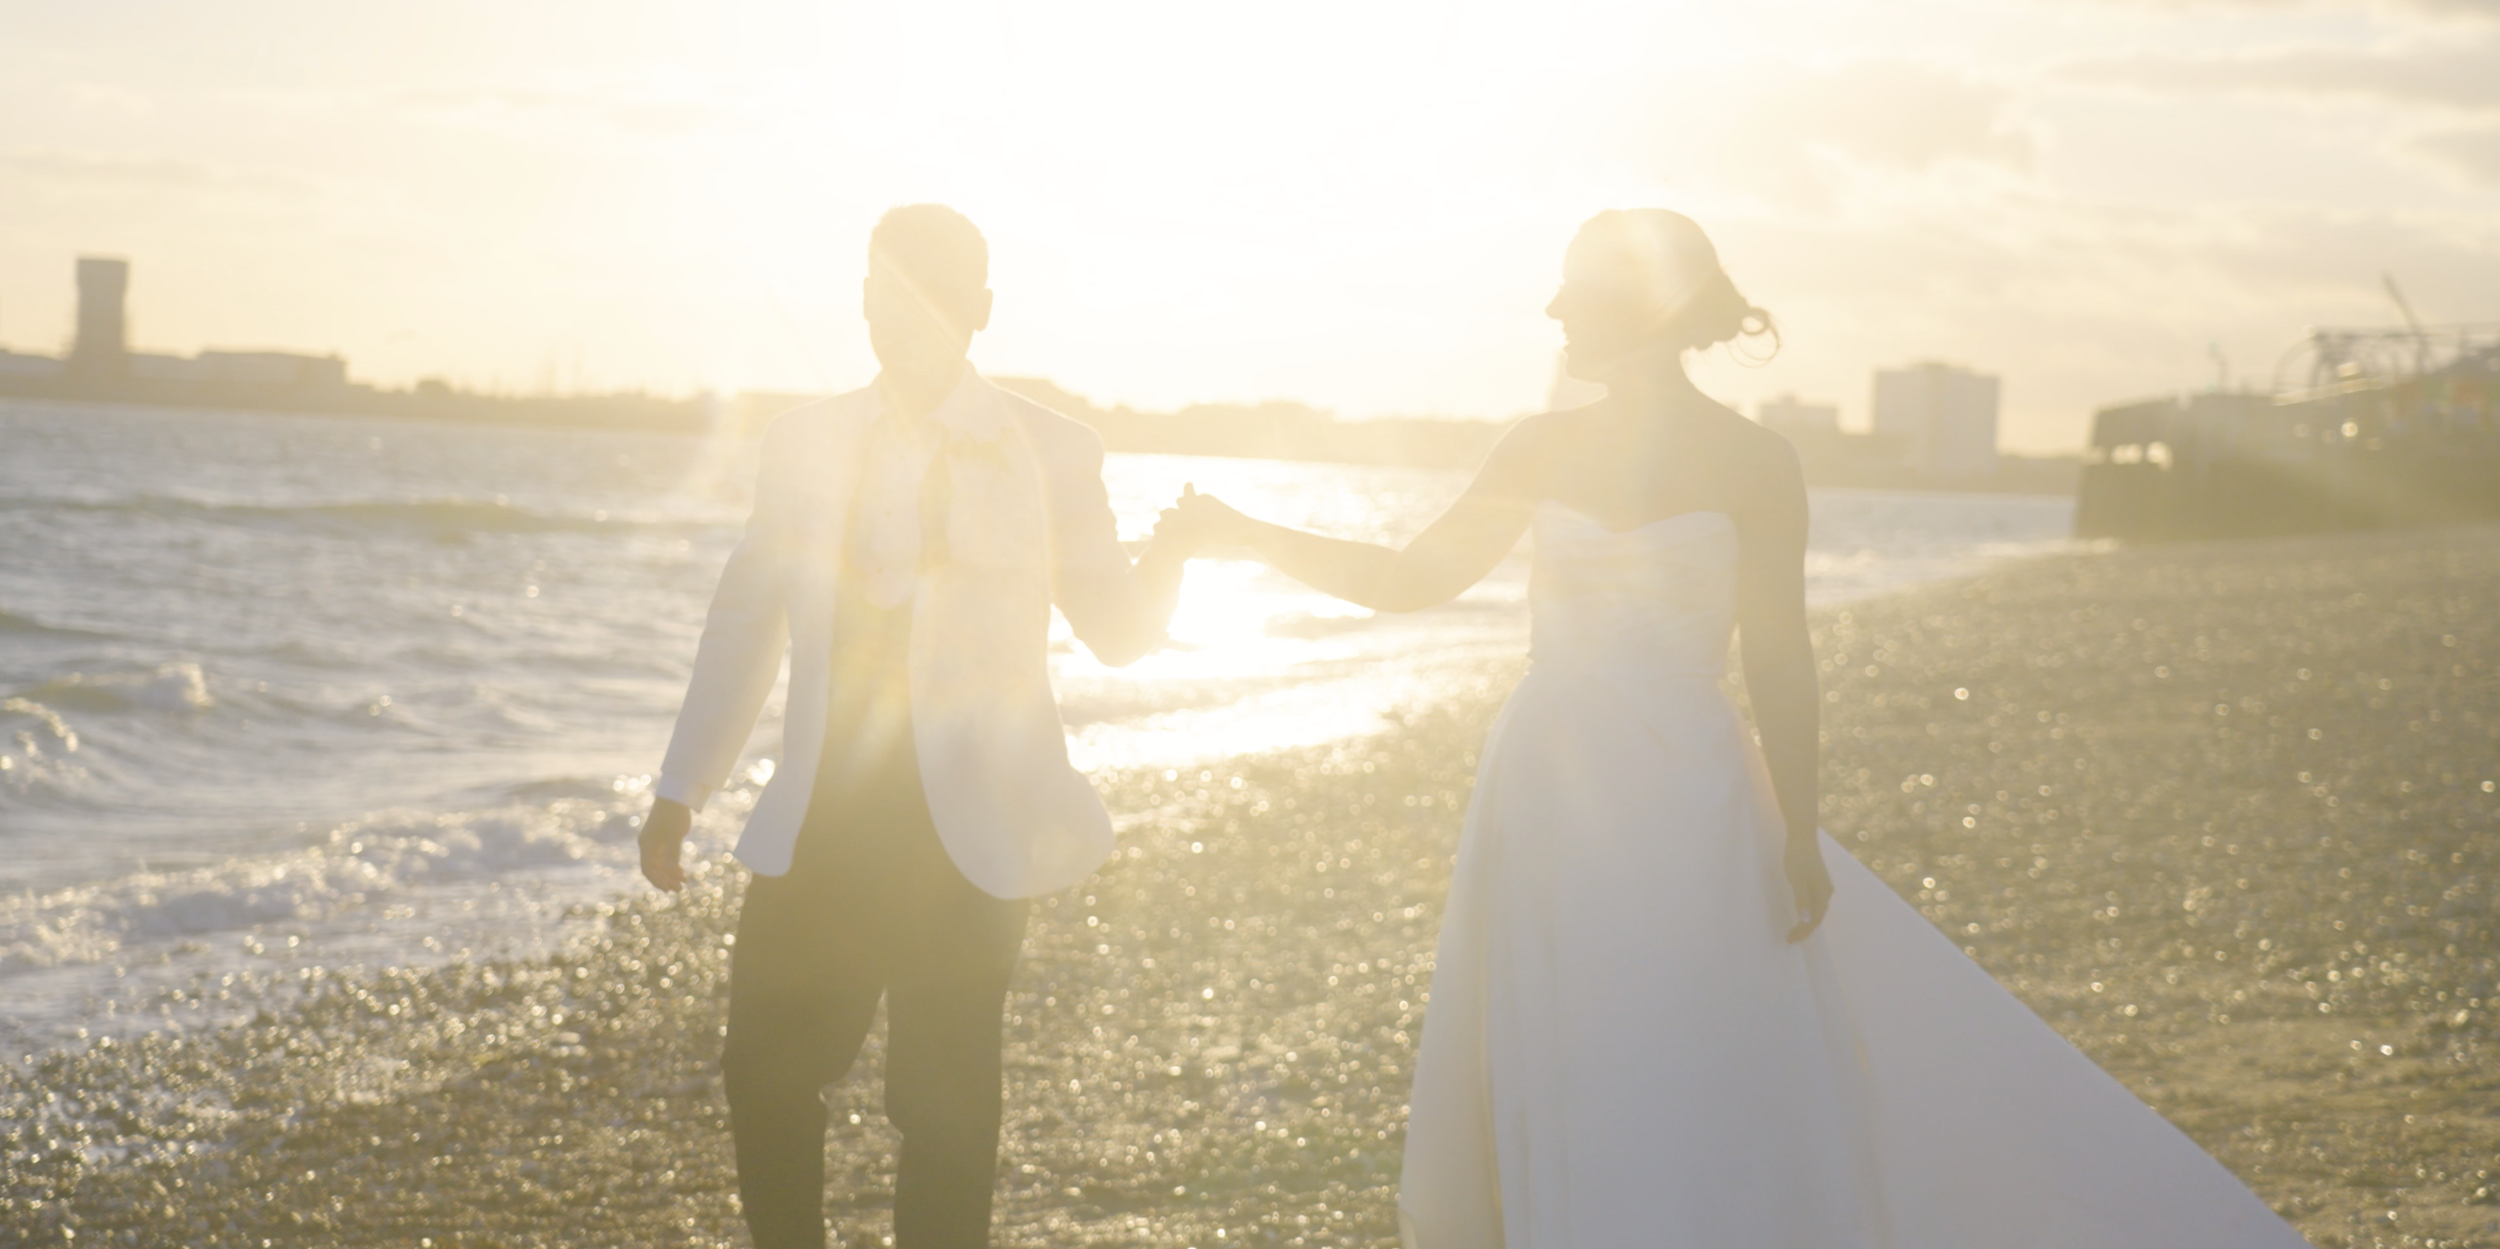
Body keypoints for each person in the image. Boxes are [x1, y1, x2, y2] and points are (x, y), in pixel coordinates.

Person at [1161, 210, 2308, 1247]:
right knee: (1601, 1033)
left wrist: (1799, 831)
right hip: (1593, 785)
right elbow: (1427, 580)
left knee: (1647, 1034)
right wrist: (1249, 534)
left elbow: (1774, 653)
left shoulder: (1692, 455)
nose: (1552, 310)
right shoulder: (1627, 449)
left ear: (1635, 309)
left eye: (1573, 288)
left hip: (1648, 785)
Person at [636, 204, 1193, 1249]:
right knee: (763, 1069)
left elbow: (1116, 631)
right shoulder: (802, 442)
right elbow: (746, 615)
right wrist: (683, 786)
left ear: (979, 311)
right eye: (883, 291)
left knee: (943, 1107)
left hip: (970, 833)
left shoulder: (1051, 449)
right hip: (825, 815)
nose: (901, 315)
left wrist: (1175, 555)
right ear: (860, 299)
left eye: (928, 296)